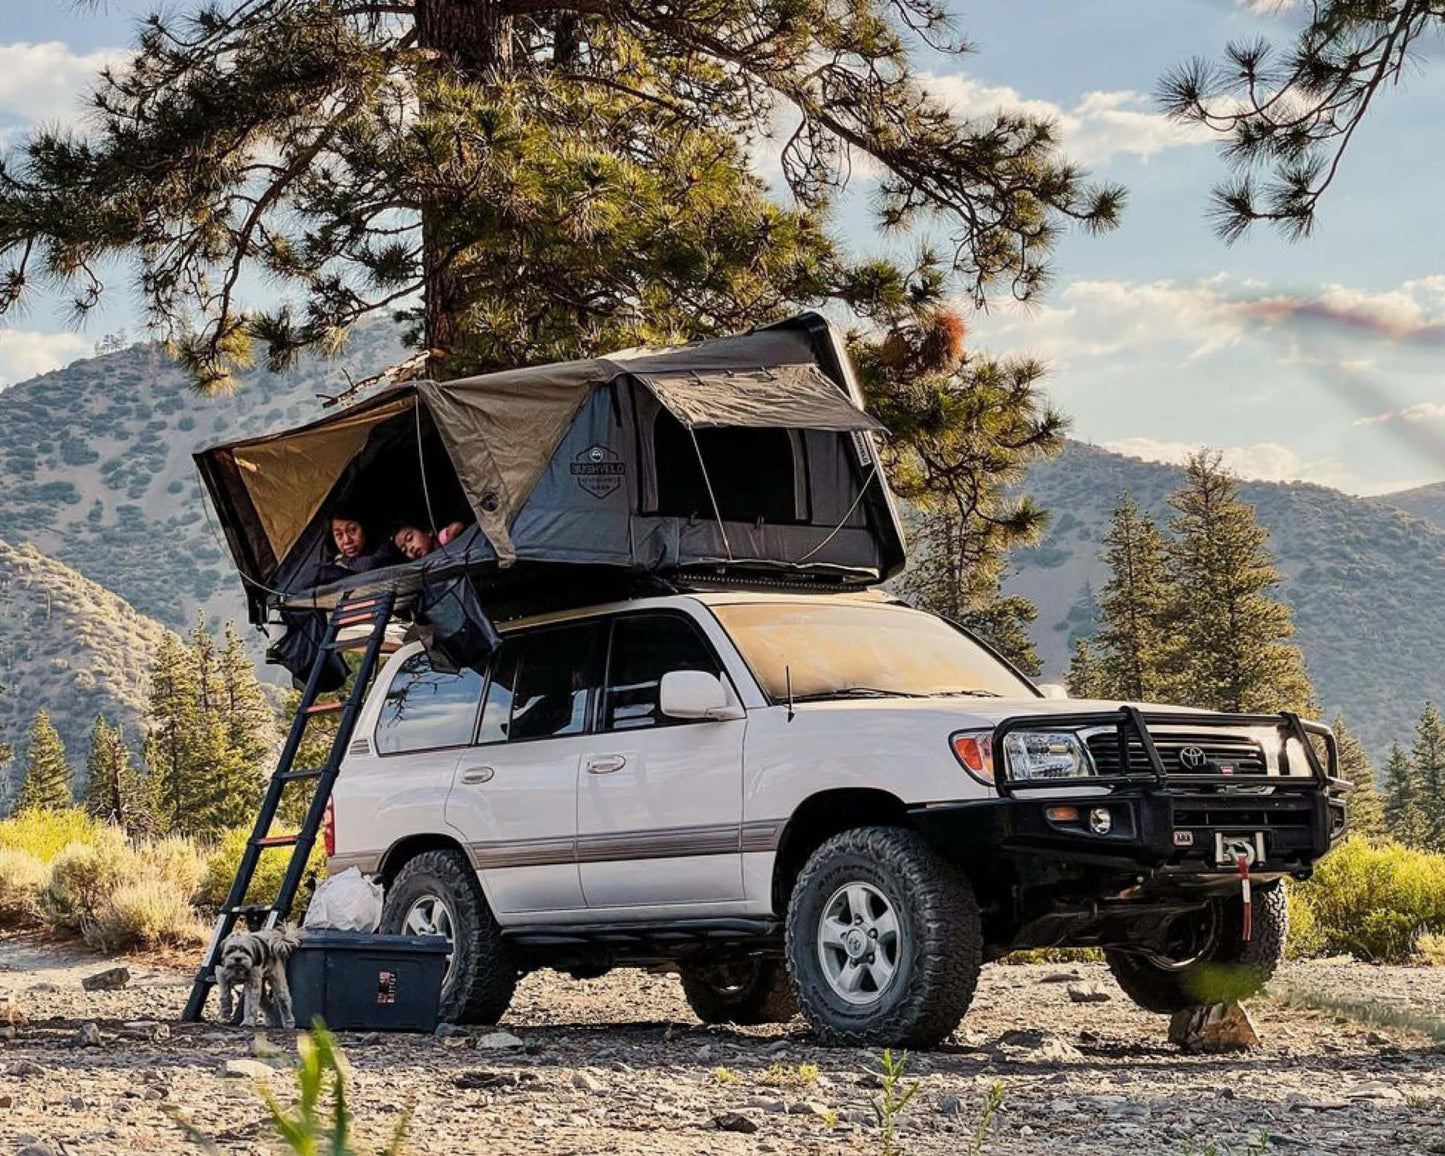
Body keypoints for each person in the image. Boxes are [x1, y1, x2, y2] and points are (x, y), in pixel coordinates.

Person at [328, 503, 401, 574]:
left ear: (365, 527)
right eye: (339, 535)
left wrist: (345, 562)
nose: (347, 541)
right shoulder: (332, 565)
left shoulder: (387, 545)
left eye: (352, 530)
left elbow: (370, 564)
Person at [393, 520, 468, 561]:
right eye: (404, 550)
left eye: (410, 539)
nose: (410, 549)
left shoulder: (441, 539)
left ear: (428, 532)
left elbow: (456, 527)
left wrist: (448, 547)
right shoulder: (425, 566)